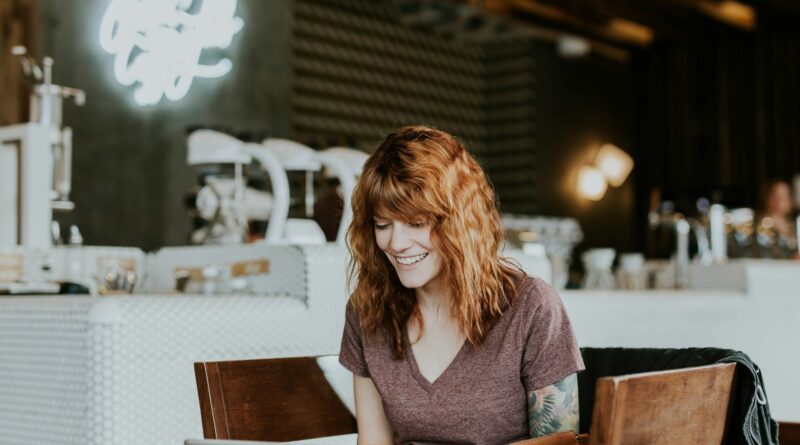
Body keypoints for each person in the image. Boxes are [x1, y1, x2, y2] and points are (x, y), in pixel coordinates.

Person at [339, 126, 584, 445]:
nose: (396, 243)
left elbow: (560, 444)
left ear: (459, 220)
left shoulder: (532, 307)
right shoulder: (368, 310)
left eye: (416, 223)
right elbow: (373, 442)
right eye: (382, 225)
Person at [756, 179, 798, 259]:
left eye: (784, 196)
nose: (779, 201)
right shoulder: (758, 226)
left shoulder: (794, 226)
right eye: (775, 196)